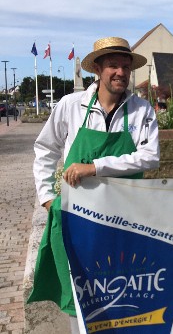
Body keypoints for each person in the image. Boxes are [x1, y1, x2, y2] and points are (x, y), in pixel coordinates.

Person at [29, 36, 160, 331]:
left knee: (123, 293)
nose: (120, 72)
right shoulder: (71, 105)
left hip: (125, 219)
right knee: (81, 295)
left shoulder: (142, 111)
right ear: (97, 70)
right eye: (113, 65)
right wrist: (48, 196)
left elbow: (150, 157)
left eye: (125, 66)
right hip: (77, 220)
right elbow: (45, 149)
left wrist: (95, 167)